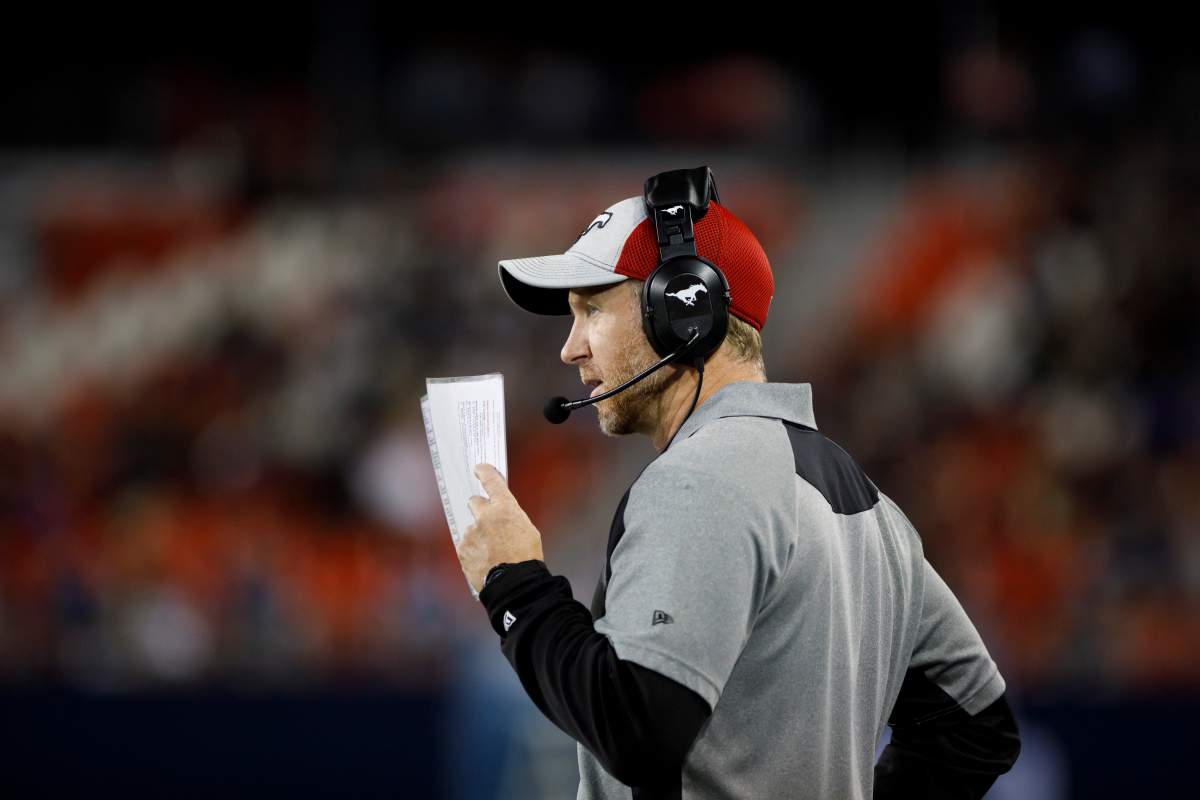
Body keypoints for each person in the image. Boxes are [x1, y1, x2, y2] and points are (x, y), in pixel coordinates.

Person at [453, 167, 1021, 799]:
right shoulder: (871, 507)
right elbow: (976, 727)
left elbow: (638, 727)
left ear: (682, 309)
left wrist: (516, 585)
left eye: (591, 310)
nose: (571, 348)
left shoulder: (701, 480)